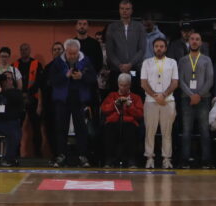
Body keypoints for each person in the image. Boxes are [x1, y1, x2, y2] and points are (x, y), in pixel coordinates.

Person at [48, 38, 96, 167]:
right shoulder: (57, 62)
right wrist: (65, 75)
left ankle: (82, 156)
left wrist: (82, 76)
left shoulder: (86, 61)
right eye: (70, 53)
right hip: (62, 99)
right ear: (65, 51)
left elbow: (93, 78)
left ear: (79, 51)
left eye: (75, 53)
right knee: (61, 128)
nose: (73, 56)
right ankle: (61, 155)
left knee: (81, 128)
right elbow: (51, 80)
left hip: (79, 99)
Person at [178, 30, 215, 168]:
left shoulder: (207, 60)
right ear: (188, 42)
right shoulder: (182, 60)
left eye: (197, 39)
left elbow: (210, 80)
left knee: (204, 130)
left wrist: (198, 95)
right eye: (192, 39)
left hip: (204, 99)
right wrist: (191, 95)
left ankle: (206, 160)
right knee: (186, 131)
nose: (194, 41)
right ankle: (185, 160)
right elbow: (180, 80)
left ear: (201, 42)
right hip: (186, 99)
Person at [142, 37, 179, 169]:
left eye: (161, 46)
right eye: (156, 46)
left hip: (168, 100)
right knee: (150, 131)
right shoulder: (146, 62)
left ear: (165, 48)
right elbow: (143, 83)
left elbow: (175, 82)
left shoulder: (172, 62)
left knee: (167, 132)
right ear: (153, 48)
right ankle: (149, 158)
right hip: (150, 101)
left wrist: (163, 95)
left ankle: (166, 159)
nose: (159, 48)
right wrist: (155, 96)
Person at [100, 73, 144, 168]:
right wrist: (114, 104)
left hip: (129, 123)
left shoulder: (136, 97)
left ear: (130, 85)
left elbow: (140, 114)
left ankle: (131, 160)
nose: (123, 88)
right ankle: (109, 160)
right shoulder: (112, 95)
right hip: (113, 121)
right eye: (121, 85)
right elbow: (104, 109)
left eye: (126, 85)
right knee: (109, 129)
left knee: (130, 129)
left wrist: (130, 106)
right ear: (118, 84)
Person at [105, 0, 147, 87]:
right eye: (122, 8)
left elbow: (142, 49)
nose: (124, 11)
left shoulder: (139, 27)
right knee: (116, 93)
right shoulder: (112, 27)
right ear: (119, 10)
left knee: (134, 91)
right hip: (116, 70)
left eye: (127, 9)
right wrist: (119, 65)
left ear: (131, 11)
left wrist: (130, 64)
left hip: (134, 69)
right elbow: (109, 50)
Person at [16, 43, 44, 157]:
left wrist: (28, 94)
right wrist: (21, 94)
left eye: (26, 49)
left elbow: (39, 82)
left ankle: (38, 153)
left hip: (34, 99)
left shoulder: (37, 64)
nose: (24, 51)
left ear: (30, 50)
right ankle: (16, 153)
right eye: (22, 49)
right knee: (16, 127)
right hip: (19, 100)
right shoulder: (15, 65)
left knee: (36, 127)